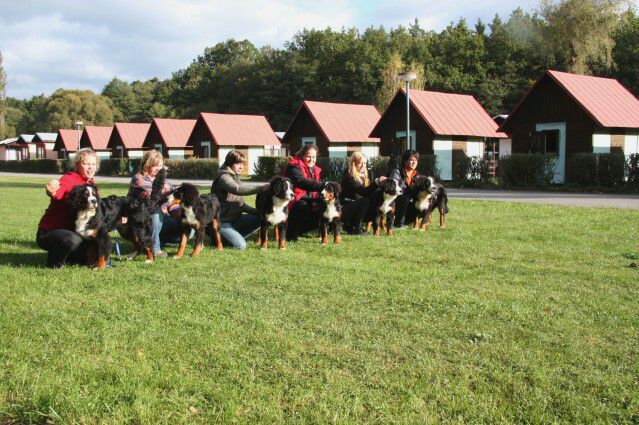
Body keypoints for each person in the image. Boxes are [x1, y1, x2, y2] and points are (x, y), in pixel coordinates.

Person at [36, 149, 100, 268]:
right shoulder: (69, 179)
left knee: (88, 255)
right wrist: (51, 192)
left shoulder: (91, 185)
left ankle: (67, 256)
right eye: (86, 164)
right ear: (77, 165)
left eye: (93, 164)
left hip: (73, 231)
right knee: (72, 240)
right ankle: (53, 264)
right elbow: (59, 193)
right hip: (49, 232)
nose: (90, 167)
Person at [127, 149, 181, 257]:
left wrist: (177, 211)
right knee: (156, 214)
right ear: (147, 164)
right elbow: (153, 194)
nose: (158, 169)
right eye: (155, 165)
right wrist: (169, 191)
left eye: (160, 165)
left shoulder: (161, 179)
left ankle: (156, 240)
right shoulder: (138, 179)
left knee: (185, 224)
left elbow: (171, 197)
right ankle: (154, 249)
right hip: (139, 218)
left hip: (161, 217)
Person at [212, 150, 269, 249]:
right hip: (222, 222)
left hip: (235, 219)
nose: (241, 167)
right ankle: (217, 237)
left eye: (242, 164)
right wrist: (261, 188)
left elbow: (240, 205)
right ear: (230, 163)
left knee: (261, 218)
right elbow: (237, 189)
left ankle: (233, 236)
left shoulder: (235, 177)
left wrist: (258, 212)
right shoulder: (223, 177)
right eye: (238, 163)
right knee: (241, 246)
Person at [284, 144, 325, 241]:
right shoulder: (294, 166)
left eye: (314, 157)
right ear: (302, 156)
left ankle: (300, 231)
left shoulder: (314, 169)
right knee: (303, 206)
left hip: (308, 200)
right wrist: (323, 186)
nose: (312, 159)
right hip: (292, 201)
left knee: (324, 206)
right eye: (309, 156)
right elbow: (302, 182)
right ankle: (290, 233)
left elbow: (314, 190)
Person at [340, 152, 385, 234]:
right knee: (365, 201)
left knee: (375, 203)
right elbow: (364, 192)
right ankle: (357, 229)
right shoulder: (349, 177)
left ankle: (375, 228)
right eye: (360, 163)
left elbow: (371, 191)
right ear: (354, 164)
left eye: (365, 163)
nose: (363, 165)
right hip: (345, 209)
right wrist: (377, 181)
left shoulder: (364, 175)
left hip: (356, 207)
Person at [388, 149, 419, 227]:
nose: (414, 162)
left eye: (416, 160)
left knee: (422, 202)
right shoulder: (397, 172)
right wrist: (409, 189)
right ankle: (399, 224)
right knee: (405, 197)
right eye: (411, 160)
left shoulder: (417, 175)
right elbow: (393, 187)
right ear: (405, 161)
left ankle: (407, 222)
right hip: (396, 200)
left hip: (408, 201)